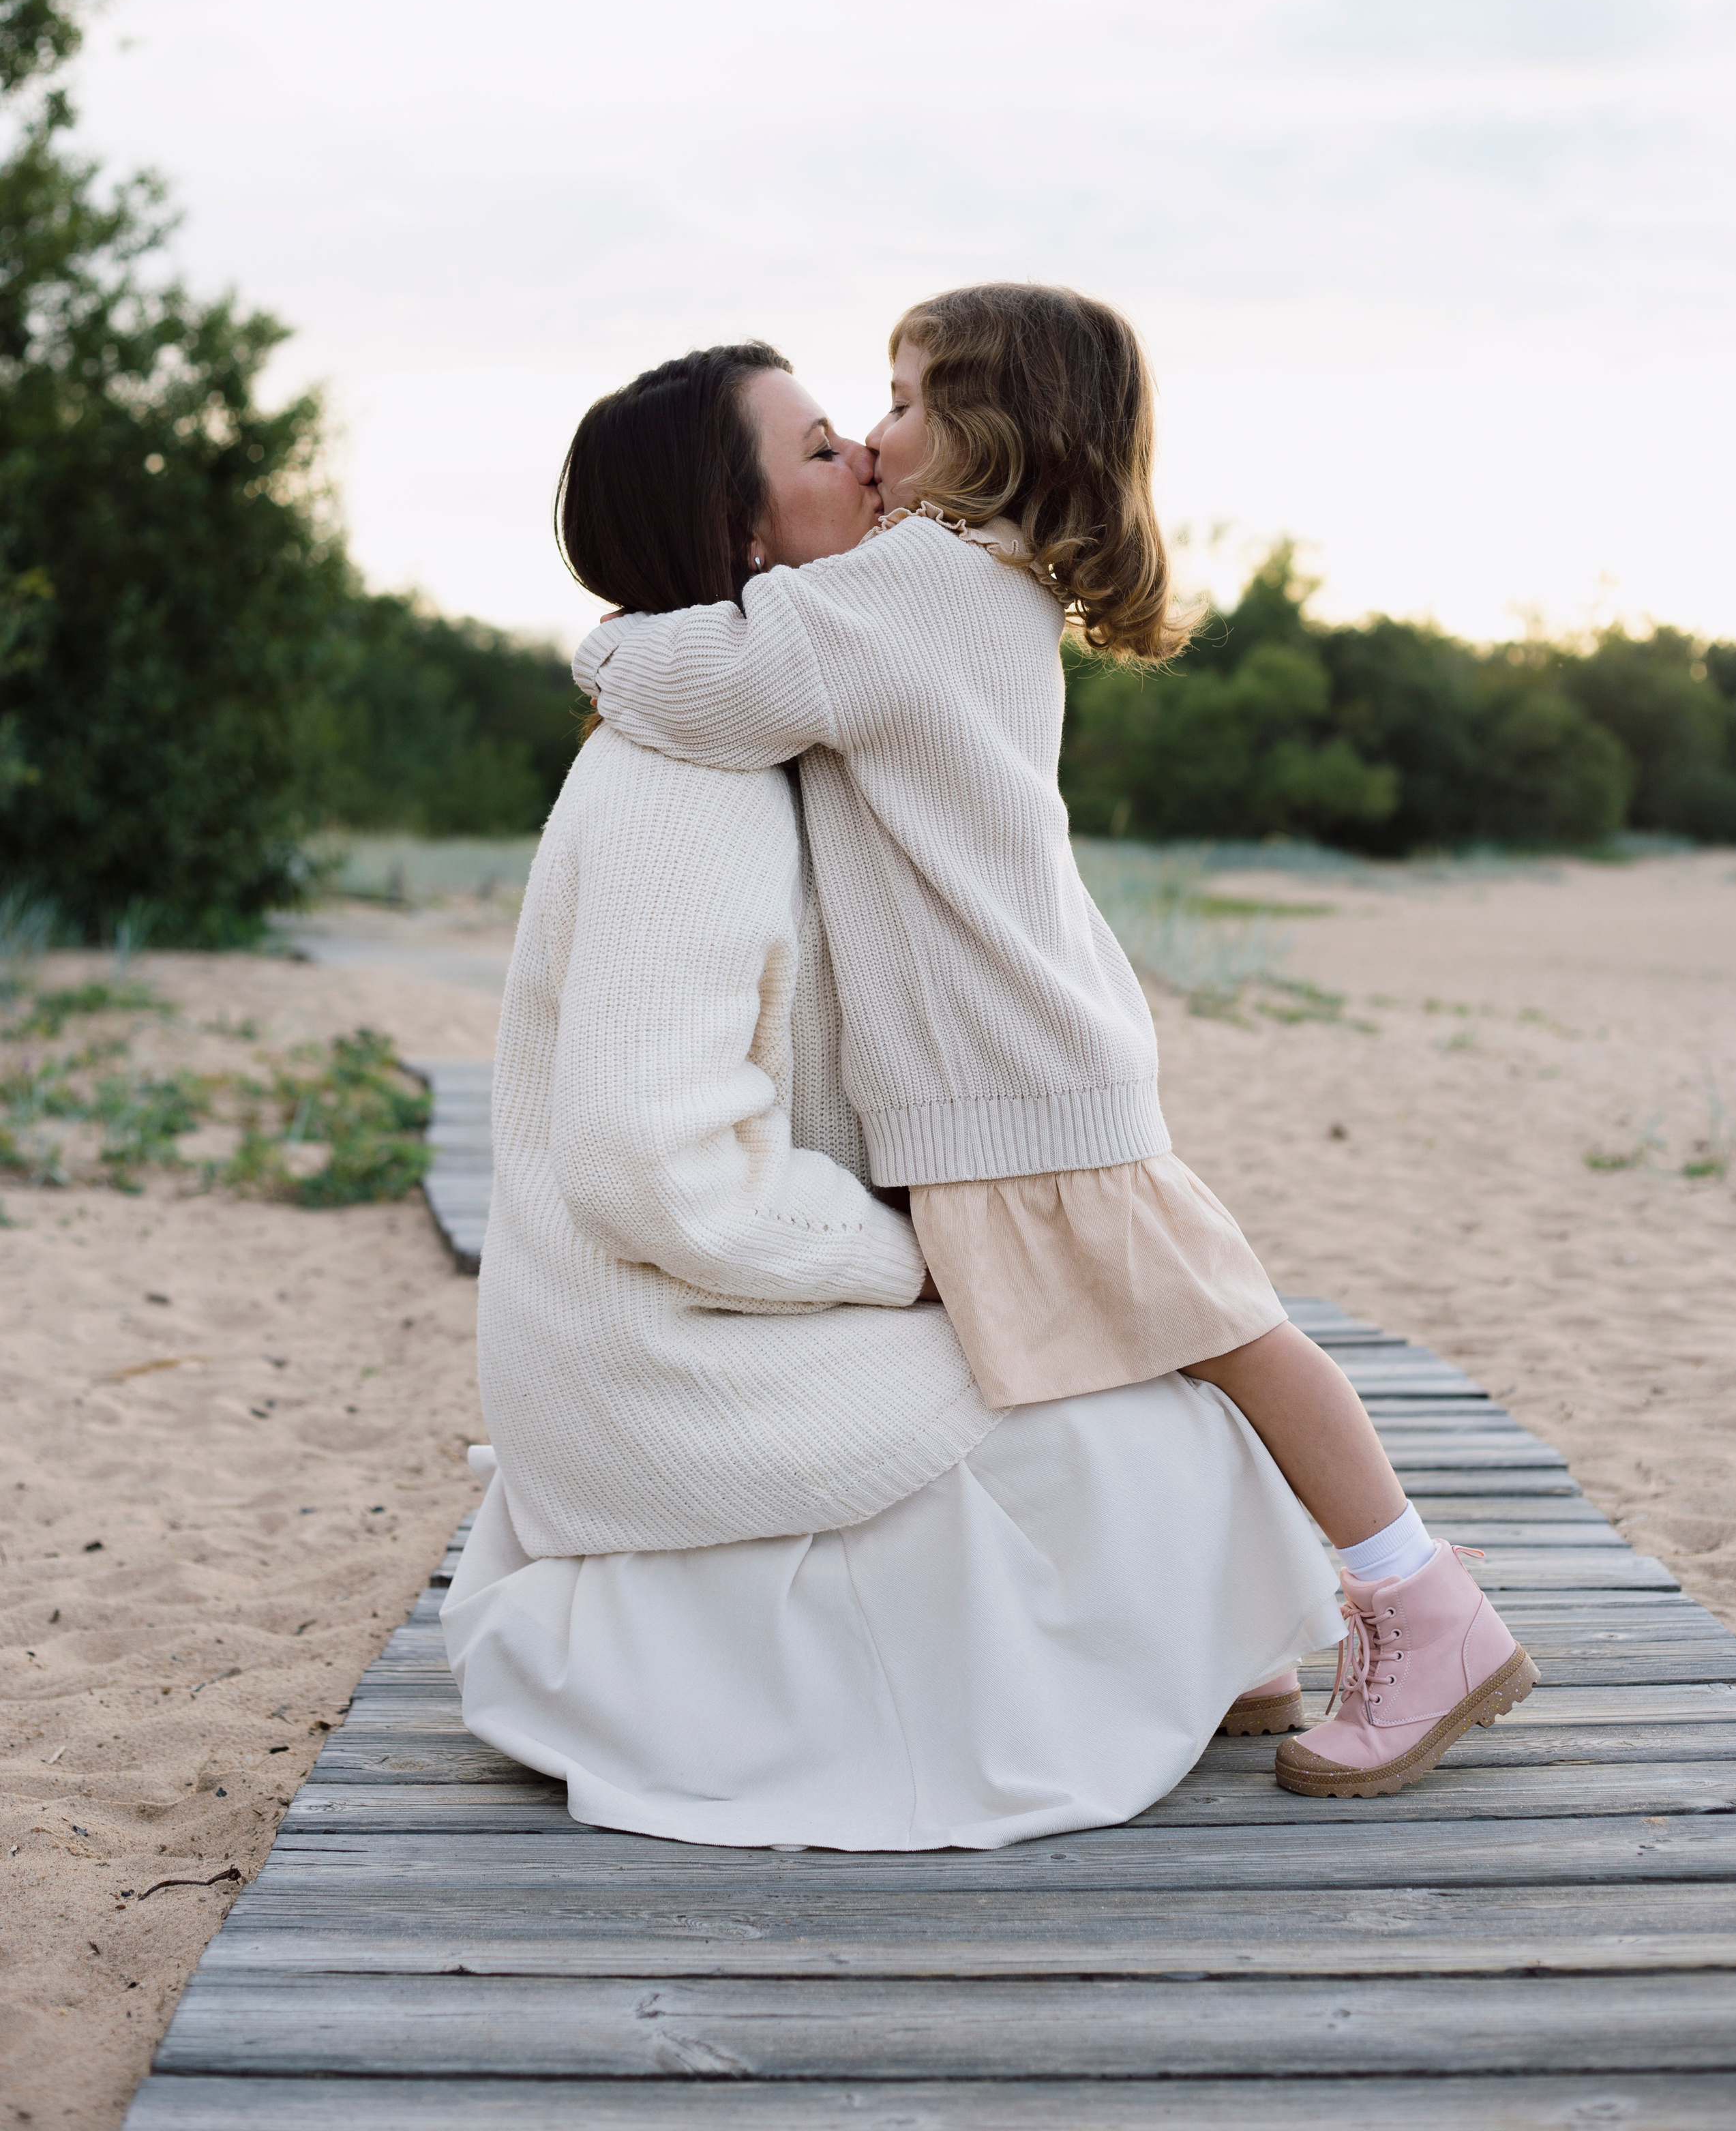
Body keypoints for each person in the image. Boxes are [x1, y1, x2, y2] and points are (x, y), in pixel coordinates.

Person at [575, 288, 1538, 1800]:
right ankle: (1238, 1633)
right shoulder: (963, 585)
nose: (873, 440)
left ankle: (1421, 1606)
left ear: (989, 432)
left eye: (896, 403)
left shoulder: (914, 591)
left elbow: (717, 684)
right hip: (1013, 1067)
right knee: (1135, 1367)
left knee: (1230, 1339)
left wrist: (604, 648)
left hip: (1013, 1079)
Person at [443, 340, 1343, 1852]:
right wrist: (911, 1259)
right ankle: (1130, 1661)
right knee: (1124, 1428)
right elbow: (648, 1166)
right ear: (740, 536)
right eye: (814, 452)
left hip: (733, 1293)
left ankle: (1180, 1652)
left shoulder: (787, 717)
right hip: (664, 1343)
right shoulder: (688, 787)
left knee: (1134, 1385)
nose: (865, 457)